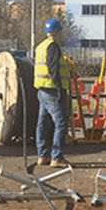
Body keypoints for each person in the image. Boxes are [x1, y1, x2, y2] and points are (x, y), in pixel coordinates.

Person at [34, 19, 72, 168]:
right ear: (56, 33)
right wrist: (59, 89)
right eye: (61, 32)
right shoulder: (53, 47)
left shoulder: (40, 47)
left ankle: (42, 156)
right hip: (52, 90)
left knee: (42, 123)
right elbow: (53, 69)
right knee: (61, 123)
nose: (62, 35)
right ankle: (57, 157)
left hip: (42, 90)